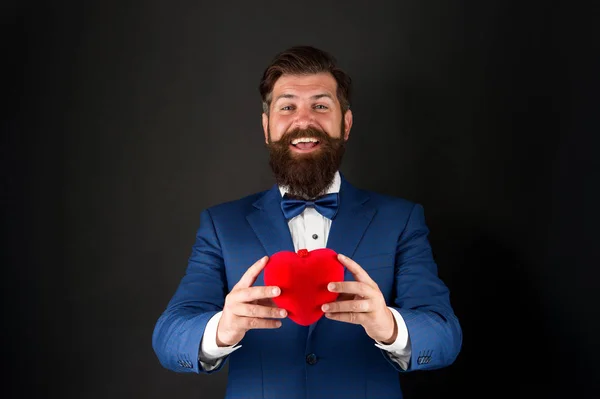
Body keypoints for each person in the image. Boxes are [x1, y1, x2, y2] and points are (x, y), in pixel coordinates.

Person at [152, 45, 462, 399]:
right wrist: (221, 329)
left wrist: (389, 325)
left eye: (320, 105)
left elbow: (445, 337)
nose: (303, 120)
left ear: (345, 124)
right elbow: (168, 337)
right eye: (287, 107)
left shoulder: (401, 219)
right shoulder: (222, 225)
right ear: (266, 126)